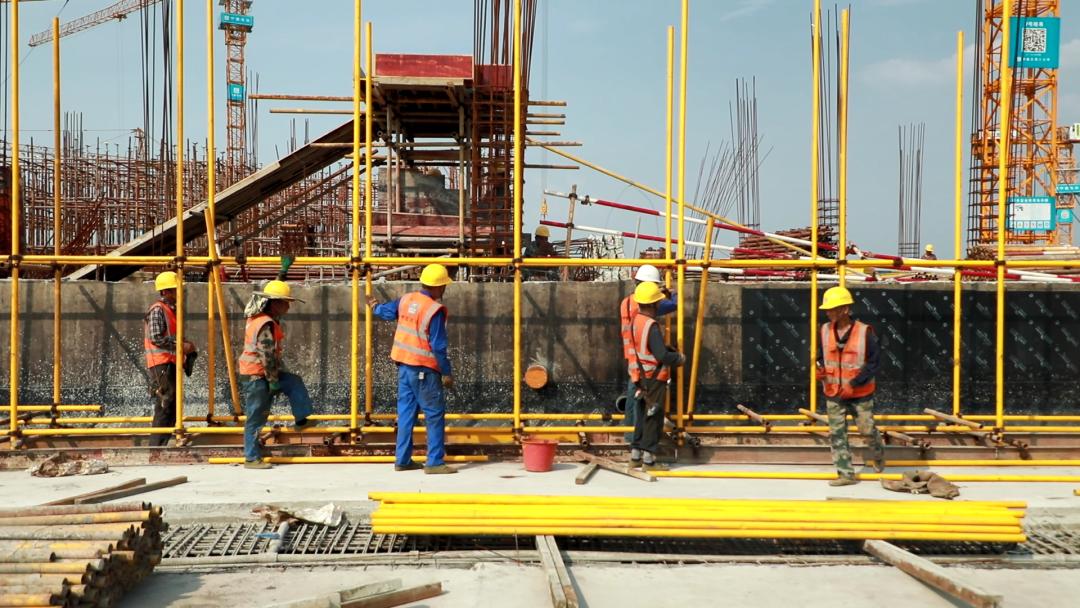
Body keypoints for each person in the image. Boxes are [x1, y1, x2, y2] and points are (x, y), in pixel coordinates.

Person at [368, 263, 457, 474]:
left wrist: (374, 306)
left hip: (404, 367)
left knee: (406, 413)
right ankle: (434, 462)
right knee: (434, 414)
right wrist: (446, 372)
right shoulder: (434, 310)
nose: (445, 289)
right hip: (424, 370)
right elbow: (438, 346)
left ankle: (403, 459)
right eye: (444, 285)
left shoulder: (407, 299)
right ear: (438, 287)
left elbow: (386, 312)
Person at [237, 280, 315, 469]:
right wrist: (273, 381)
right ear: (274, 303)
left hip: (262, 373)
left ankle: (302, 419)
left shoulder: (261, 318)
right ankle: (251, 458)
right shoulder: (265, 324)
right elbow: (267, 355)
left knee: (293, 382)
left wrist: (283, 272)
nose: (288, 306)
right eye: (285, 302)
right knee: (256, 417)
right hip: (257, 375)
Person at [816, 286, 886, 486]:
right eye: (827, 309)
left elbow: (874, 362)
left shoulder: (864, 332)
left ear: (845, 309)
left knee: (866, 429)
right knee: (837, 433)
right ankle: (845, 474)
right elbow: (822, 355)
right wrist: (819, 369)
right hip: (834, 392)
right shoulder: (825, 330)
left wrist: (854, 383)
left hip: (860, 393)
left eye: (832, 309)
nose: (828, 313)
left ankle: (878, 451)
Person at [626, 281, 686, 471]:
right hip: (654, 378)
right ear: (653, 304)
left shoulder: (636, 320)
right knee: (654, 417)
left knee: (643, 415)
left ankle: (635, 456)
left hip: (640, 377)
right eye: (658, 302)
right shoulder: (651, 325)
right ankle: (649, 461)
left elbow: (644, 347)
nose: (660, 305)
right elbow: (661, 355)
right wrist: (678, 358)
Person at [619, 264, 677, 441]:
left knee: (633, 396)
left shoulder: (627, 302)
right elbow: (674, 304)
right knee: (645, 402)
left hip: (632, 354)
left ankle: (630, 436)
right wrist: (672, 292)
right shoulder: (644, 305)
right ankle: (640, 443)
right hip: (646, 359)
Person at [144, 271, 197, 447]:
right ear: (166, 292)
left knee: (173, 404)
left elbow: (171, 336)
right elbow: (156, 338)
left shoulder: (172, 311)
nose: (180, 293)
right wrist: (181, 346)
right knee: (165, 403)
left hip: (170, 362)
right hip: (161, 363)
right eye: (176, 290)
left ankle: (162, 445)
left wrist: (186, 345)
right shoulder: (159, 309)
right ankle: (156, 447)